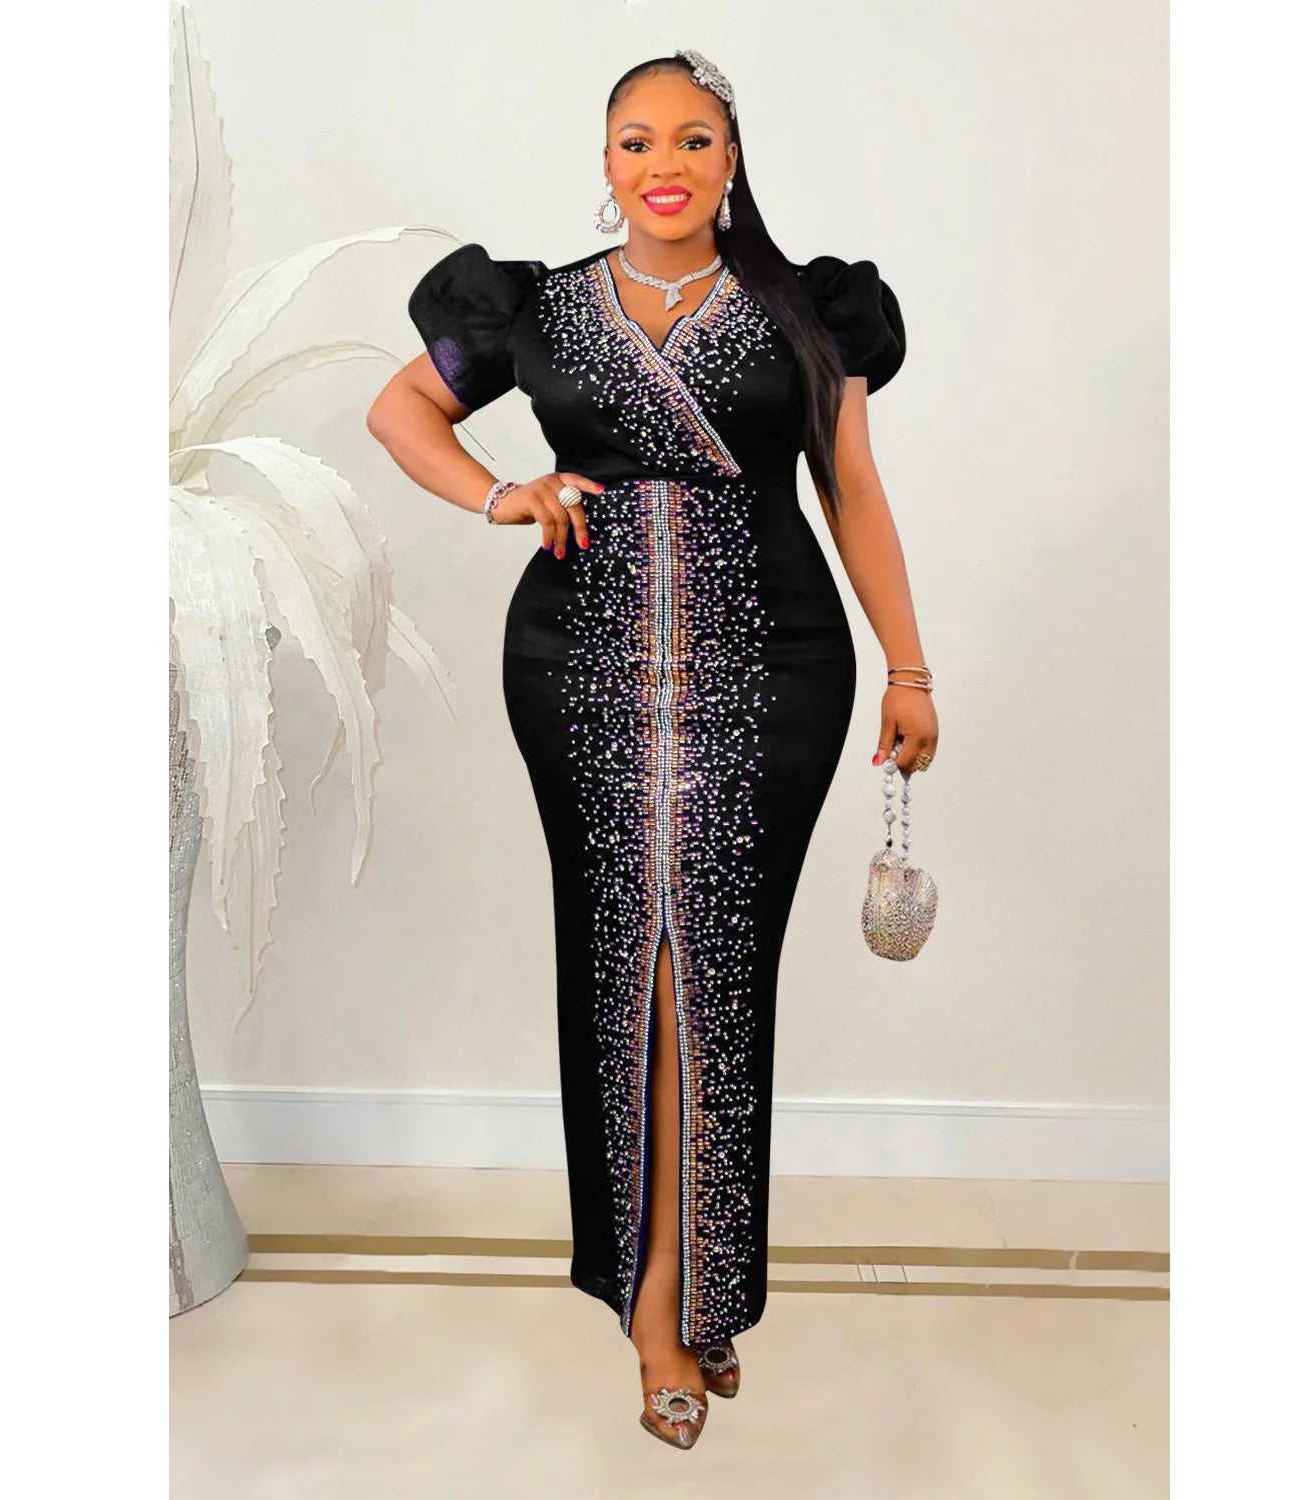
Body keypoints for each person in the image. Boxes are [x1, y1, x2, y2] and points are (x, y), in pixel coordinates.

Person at [367, 48, 938, 1451]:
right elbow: (399, 409)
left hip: (775, 670)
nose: (663, 164)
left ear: (731, 161)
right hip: (582, 672)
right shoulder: (537, 309)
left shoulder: (807, 310)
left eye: (693, 139)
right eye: (636, 141)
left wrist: (910, 665)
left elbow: (853, 489)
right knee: (632, 962)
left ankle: (700, 1287)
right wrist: (501, 492)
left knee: (719, 973)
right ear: (607, 160)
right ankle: (655, 1311)